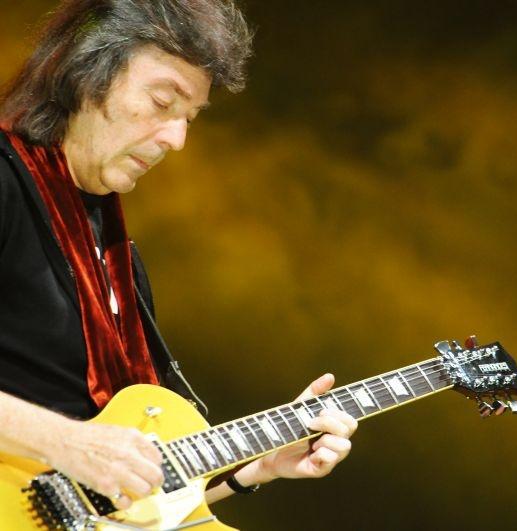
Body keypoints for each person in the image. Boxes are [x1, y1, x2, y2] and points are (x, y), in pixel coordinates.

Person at [0, 0, 357, 512]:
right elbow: (82, 451)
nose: (177, 138)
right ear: (83, 75)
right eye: (162, 102)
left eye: (188, 117)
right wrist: (65, 442)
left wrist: (258, 467)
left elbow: (129, 497)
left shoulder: (117, 259)